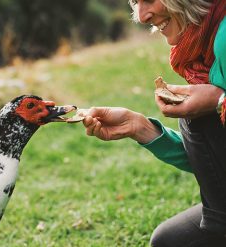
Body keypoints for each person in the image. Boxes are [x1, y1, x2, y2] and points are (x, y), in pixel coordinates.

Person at [82, 0, 226, 246]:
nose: (140, 15)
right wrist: (138, 127)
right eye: (134, 2)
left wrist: (219, 100)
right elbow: (215, 166)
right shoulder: (203, 47)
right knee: (169, 241)